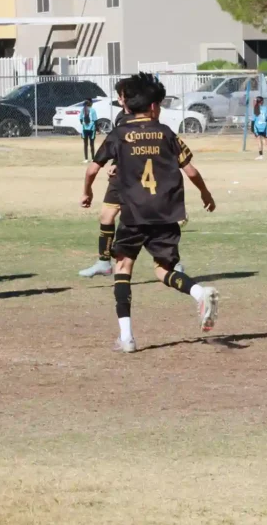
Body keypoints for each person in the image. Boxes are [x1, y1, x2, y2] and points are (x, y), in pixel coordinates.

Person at [80, 73, 219, 353]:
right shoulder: (167, 133)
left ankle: (127, 338)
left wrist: (87, 192)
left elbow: (93, 168)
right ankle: (198, 292)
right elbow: (191, 171)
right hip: (166, 213)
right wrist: (206, 194)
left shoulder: (119, 133)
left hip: (134, 212)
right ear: (154, 107)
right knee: (163, 270)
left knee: (123, 268)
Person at [79, 78, 133, 278]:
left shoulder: (145, 120)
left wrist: (87, 191)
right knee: (106, 216)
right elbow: (123, 148)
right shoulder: (120, 119)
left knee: (145, 222)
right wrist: (116, 163)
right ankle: (104, 262)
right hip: (120, 179)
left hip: (139, 179)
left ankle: (172, 263)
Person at [81, 98, 98, 162]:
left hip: (84, 129)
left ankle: (86, 159)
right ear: (91, 103)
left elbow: (80, 120)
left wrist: (84, 125)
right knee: (92, 144)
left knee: (85, 144)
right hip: (92, 129)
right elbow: (95, 120)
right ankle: (93, 158)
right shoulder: (93, 110)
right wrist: (97, 129)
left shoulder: (83, 110)